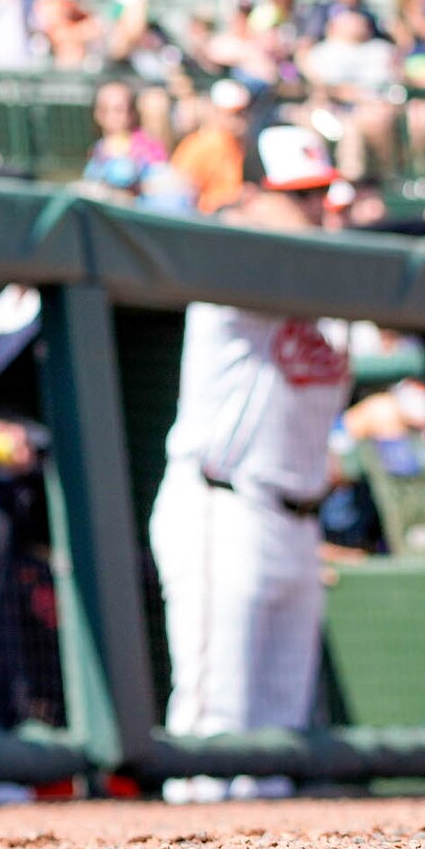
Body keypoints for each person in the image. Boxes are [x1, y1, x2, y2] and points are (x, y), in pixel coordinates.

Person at [154, 131, 356, 801]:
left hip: (296, 519)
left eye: (322, 193)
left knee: (275, 748)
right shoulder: (232, 260)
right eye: (298, 197)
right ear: (251, 198)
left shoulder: (338, 271)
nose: (316, 209)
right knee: (215, 735)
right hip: (223, 506)